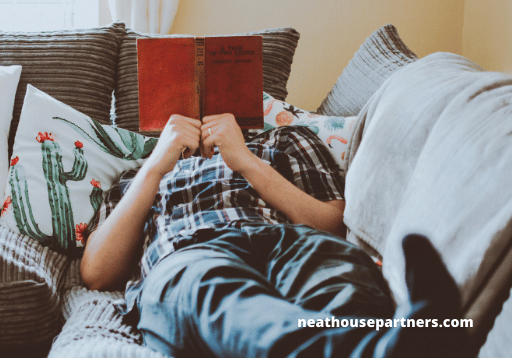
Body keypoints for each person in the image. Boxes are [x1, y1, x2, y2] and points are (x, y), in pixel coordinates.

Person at [81, 114, 471, 358]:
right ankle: (399, 347)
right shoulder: (135, 177)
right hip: (190, 252)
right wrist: (154, 168)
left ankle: (390, 343)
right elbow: (97, 274)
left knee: (339, 280)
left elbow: (334, 225)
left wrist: (245, 160)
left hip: (290, 242)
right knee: (220, 296)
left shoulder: (288, 140)